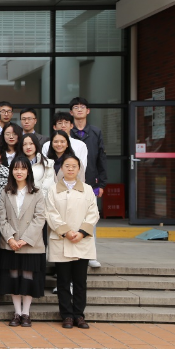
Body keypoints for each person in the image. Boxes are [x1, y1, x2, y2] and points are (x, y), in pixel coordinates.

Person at [46, 155, 100, 330]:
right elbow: (50, 213)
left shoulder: (87, 189)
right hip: (62, 240)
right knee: (62, 281)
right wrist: (66, 231)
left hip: (81, 241)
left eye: (74, 166)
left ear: (79, 169)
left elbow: (94, 212)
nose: (70, 169)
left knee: (80, 281)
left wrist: (82, 232)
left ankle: (79, 315)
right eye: (67, 166)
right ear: (61, 168)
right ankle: (67, 315)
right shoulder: (53, 190)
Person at [0, 156, 47, 328]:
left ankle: (26, 313)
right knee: (13, 277)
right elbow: (1, 218)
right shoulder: (5, 192)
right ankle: (17, 313)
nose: (19, 172)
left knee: (27, 277)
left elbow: (39, 218)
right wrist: (10, 238)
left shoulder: (38, 192)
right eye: (16, 168)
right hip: (10, 244)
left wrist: (24, 239)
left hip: (31, 244)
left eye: (23, 168)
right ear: (11, 171)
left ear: (28, 171)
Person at [69, 97, 107, 269]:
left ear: (88, 111)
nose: (79, 110)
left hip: (91, 182)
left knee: (91, 219)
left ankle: (91, 255)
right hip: (69, 181)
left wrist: (102, 184)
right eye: (75, 107)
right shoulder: (68, 133)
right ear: (71, 112)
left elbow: (101, 158)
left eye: (82, 107)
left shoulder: (96, 132)